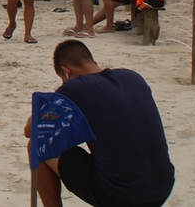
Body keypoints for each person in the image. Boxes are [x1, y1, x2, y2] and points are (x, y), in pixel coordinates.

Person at [24, 40, 174, 207]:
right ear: (93, 62)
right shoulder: (133, 77)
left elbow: (30, 130)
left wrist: (45, 108)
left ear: (66, 71)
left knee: (37, 144)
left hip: (120, 196)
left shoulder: (75, 87)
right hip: (162, 189)